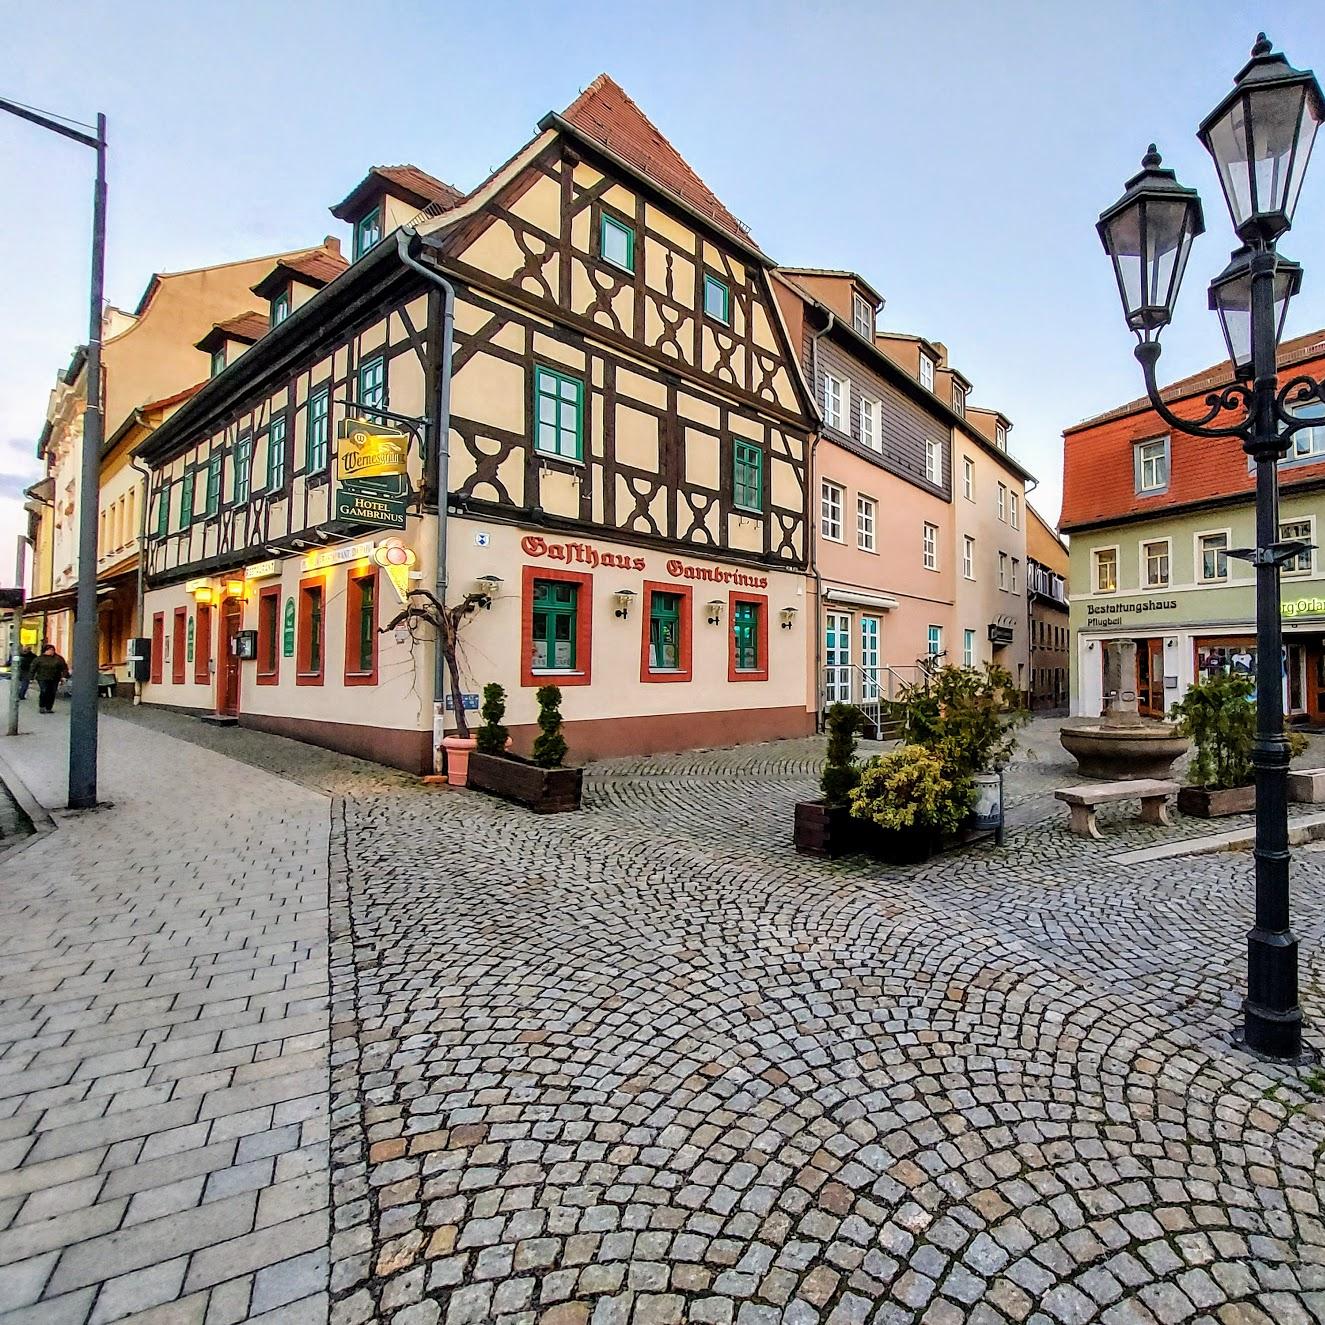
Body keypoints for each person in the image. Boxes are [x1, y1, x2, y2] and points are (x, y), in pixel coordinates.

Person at [31, 644, 69, 715]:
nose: (51, 651)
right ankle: (42, 706)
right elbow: (33, 668)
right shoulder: (39, 659)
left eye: (52, 650)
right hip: (42, 678)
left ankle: (49, 707)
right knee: (44, 691)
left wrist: (64, 676)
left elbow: (64, 667)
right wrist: (31, 677)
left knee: (52, 692)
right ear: (45, 651)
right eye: (49, 650)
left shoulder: (58, 658)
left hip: (54, 678)